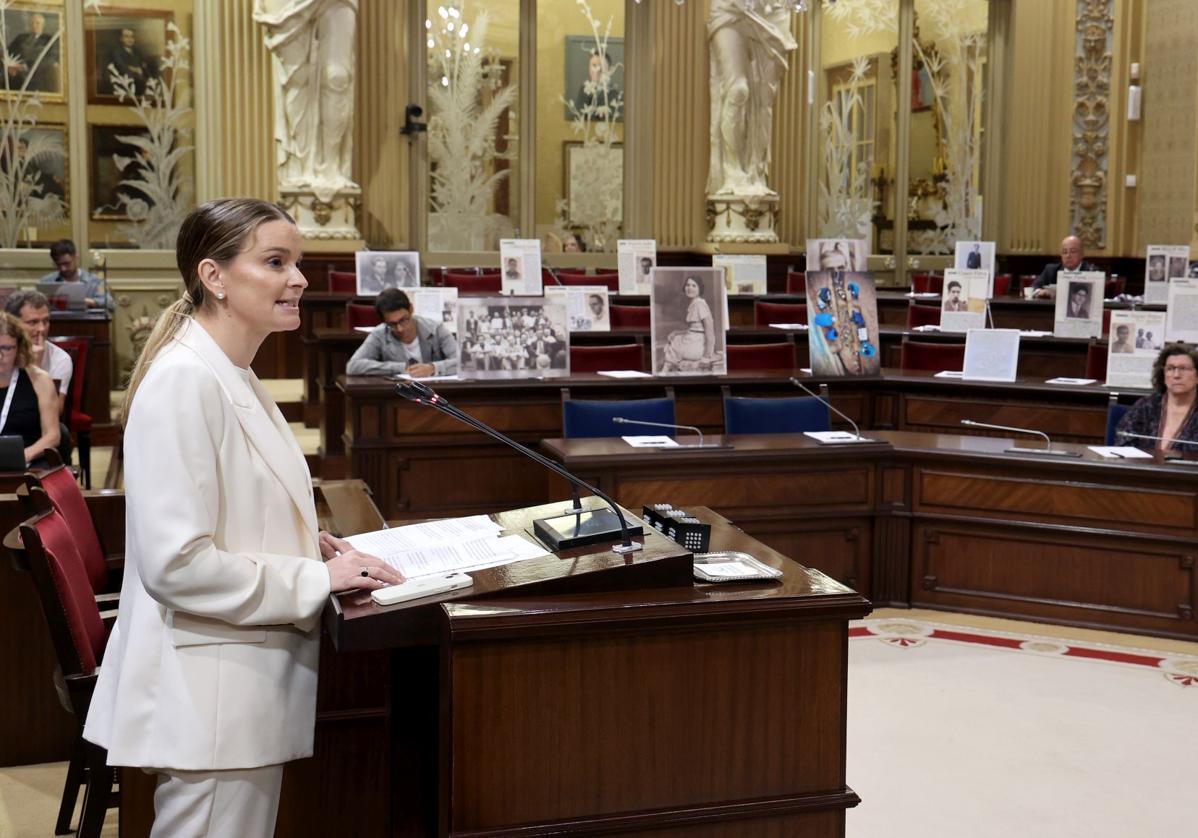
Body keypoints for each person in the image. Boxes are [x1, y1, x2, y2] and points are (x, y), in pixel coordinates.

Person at [83, 198, 402, 837]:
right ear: (215, 277)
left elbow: (231, 501)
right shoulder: (185, 380)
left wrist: (303, 542)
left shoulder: (233, 371)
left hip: (236, 681)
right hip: (210, 691)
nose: (300, 279)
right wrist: (318, 581)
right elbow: (178, 565)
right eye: (276, 262)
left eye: (298, 262)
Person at [707, 0, 795, 197]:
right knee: (738, 90)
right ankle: (733, 171)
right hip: (730, 7)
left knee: (765, 98)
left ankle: (756, 172)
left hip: (772, 9)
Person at [347, 287, 458, 377]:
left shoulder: (436, 328)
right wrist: (401, 368)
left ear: (411, 309)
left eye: (403, 320)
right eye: (392, 324)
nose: (400, 329)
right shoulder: (380, 333)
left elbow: (462, 362)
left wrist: (433, 368)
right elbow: (353, 366)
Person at [0, 312, 59, 467]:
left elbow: (52, 435)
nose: (0, 356)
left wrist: (23, 456)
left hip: (30, 460)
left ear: (19, 348)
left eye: (6, 348)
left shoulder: (40, 380)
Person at [1116, 343, 1198, 454]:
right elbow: (1122, 444)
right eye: (1170, 369)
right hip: (1144, 469)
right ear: (1163, 375)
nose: (1176, 375)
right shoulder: (1146, 406)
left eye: (1184, 368)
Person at [5, 290, 71, 416]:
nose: (42, 329)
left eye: (46, 321)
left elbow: (54, 413)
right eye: (33, 322)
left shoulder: (60, 359)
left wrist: (35, 367)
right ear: (12, 323)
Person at [662, 275, 719, 372]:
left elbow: (710, 331)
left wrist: (707, 356)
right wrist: (677, 332)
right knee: (674, 338)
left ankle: (664, 374)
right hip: (693, 339)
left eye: (694, 285)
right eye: (688, 285)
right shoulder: (694, 303)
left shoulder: (699, 304)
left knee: (673, 346)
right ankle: (667, 372)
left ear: (700, 288)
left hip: (697, 345)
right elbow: (695, 329)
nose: (690, 288)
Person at [41, 240, 114, 311]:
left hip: (86, 322)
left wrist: (87, 301)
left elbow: (110, 303)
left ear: (76, 257)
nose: (63, 269)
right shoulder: (47, 281)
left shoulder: (95, 281)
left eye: (67, 263)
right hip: (57, 321)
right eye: (58, 265)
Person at [6, 11, 58, 93]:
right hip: (17, 75)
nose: (34, 25)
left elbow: (51, 59)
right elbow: (8, 52)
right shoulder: (20, 38)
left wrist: (27, 66)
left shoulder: (49, 40)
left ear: (42, 25)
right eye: (32, 23)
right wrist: (10, 64)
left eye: (37, 23)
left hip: (37, 74)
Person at [1032, 235, 1100, 297]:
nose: (1068, 256)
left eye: (1073, 251)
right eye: (1064, 252)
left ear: (1082, 254)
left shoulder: (1092, 272)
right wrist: (1040, 292)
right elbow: (1034, 287)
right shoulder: (1051, 270)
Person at [106, 26, 157, 96]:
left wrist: (149, 78)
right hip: (124, 83)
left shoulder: (137, 52)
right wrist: (135, 69)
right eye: (126, 36)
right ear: (121, 38)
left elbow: (144, 66)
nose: (130, 39)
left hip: (139, 83)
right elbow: (121, 66)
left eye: (132, 37)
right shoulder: (117, 52)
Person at [573, 49, 618, 120]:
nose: (597, 70)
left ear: (609, 70)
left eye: (601, 66)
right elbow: (578, 115)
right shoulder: (583, 90)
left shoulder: (614, 93)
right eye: (594, 65)